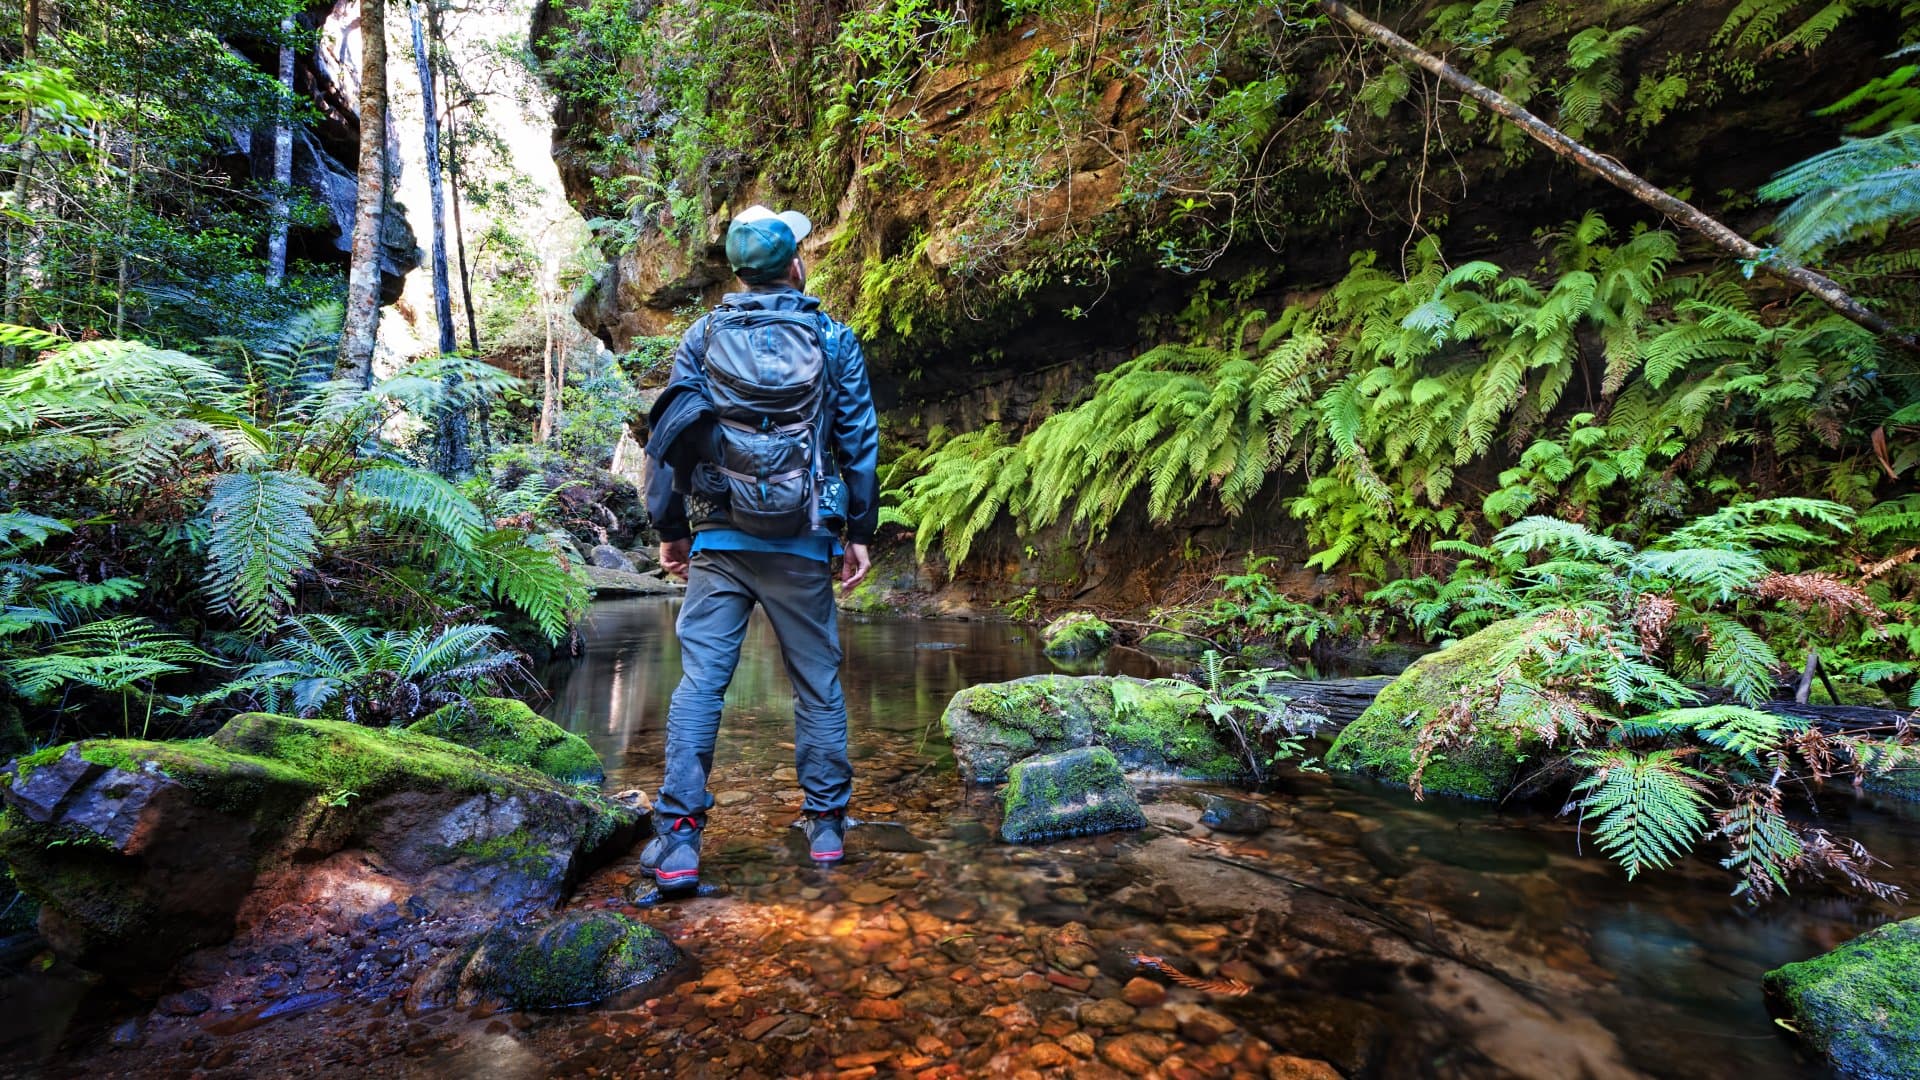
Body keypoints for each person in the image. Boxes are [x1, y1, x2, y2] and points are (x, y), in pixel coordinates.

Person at [637, 204, 879, 892]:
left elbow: (669, 437)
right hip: (802, 538)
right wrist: (857, 530)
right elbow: (858, 440)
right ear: (793, 264)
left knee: (702, 684)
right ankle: (827, 828)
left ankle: (680, 837)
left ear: (740, 272)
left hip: (719, 532)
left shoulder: (703, 336)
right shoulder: (833, 339)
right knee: (817, 684)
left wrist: (671, 531)